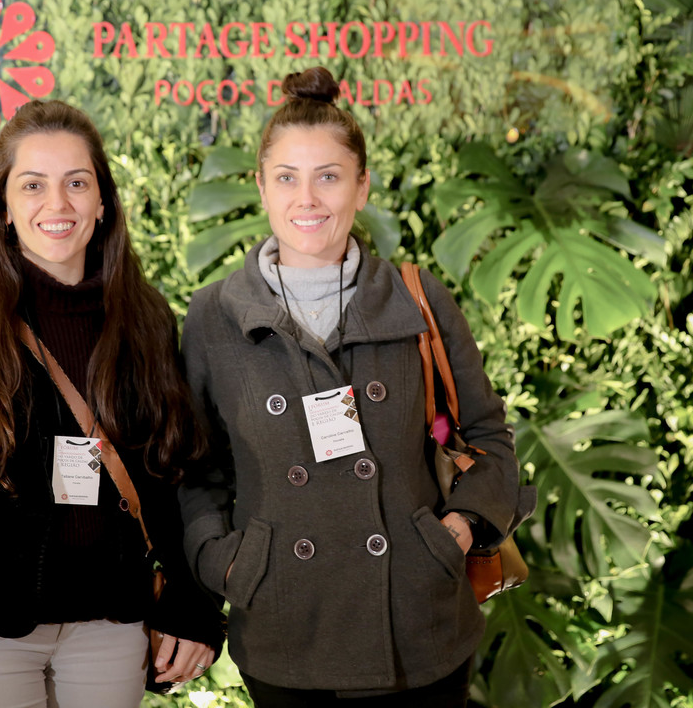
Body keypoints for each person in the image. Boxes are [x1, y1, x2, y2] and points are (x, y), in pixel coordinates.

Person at [179, 68, 531, 707]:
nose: (307, 199)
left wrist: (457, 530)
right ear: (261, 186)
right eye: (287, 177)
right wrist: (224, 561)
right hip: (285, 622)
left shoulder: (416, 299)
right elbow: (198, 469)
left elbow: (487, 436)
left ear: (361, 186)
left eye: (329, 176)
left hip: (417, 622)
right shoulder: (213, 316)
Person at [0, 100, 223, 708]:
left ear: (103, 202)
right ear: (3, 206)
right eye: (33, 185)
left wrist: (193, 607)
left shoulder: (145, 318)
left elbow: (171, 473)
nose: (57, 204)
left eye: (77, 183)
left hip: (110, 626)